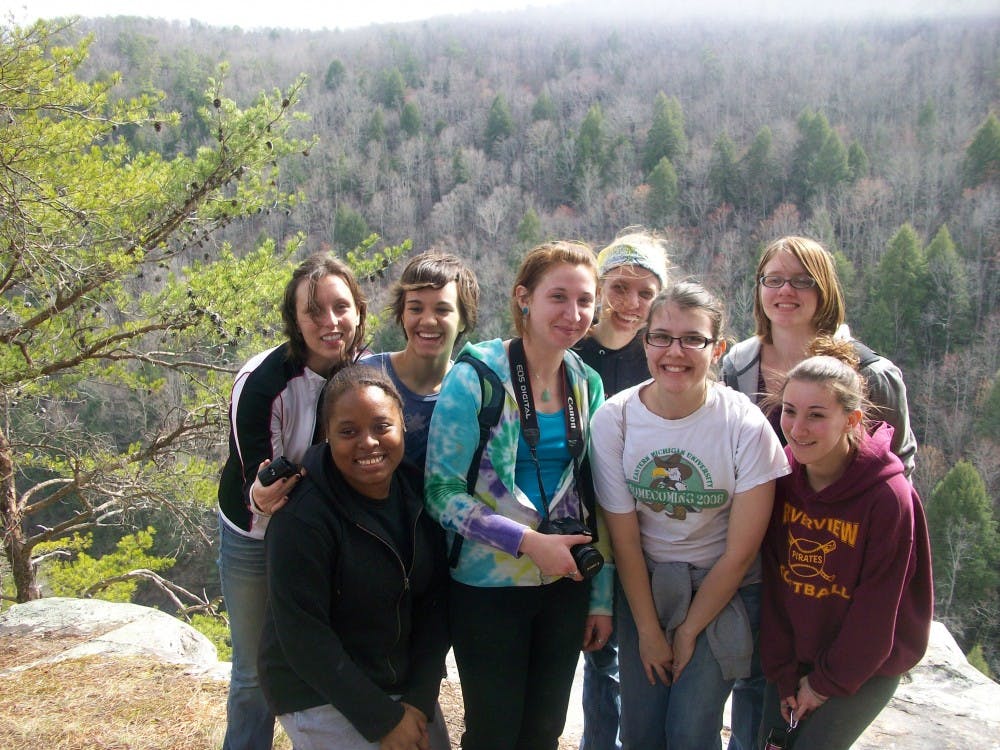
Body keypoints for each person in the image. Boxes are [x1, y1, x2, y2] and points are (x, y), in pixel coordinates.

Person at [720, 235, 917, 750]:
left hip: (842, 574)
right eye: (774, 279)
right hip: (761, 565)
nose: (787, 291)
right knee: (756, 710)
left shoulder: (871, 374)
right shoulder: (737, 366)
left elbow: (897, 469)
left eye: (803, 280)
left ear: (825, 289)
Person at [424, 240, 612, 750]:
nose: (573, 314)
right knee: (493, 732)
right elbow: (440, 492)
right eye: (558, 297)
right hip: (488, 588)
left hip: (566, 582)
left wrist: (600, 596)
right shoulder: (478, 378)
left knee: (544, 732)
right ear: (524, 298)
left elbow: (597, 497)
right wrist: (528, 543)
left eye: (585, 300)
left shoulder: (586, 384)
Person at [590, 281, 790, 750]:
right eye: (661, 336)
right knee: (640, 732)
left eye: (692, 339)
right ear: (645, 342)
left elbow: (740, 554)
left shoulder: (743, 425)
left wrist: (688, 632)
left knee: (689, 731)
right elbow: (625, 540)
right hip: (646, 584)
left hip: (723, 589)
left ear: (717, 348)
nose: (674, 352)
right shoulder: (616, 420)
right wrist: (647, 631)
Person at [216, 252, 367, 750]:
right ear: (294, 320)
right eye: (314, 312)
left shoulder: (363, 374)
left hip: (325, 536)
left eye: (341, 307)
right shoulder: (262, 383)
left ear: (359, 311)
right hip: (255, 537)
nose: (331, 322)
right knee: (254, 670)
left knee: (336, 653)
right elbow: (251, 481)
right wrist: (261, 495)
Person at [258, 365, 451, 749]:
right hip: (318, 690)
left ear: (403, 427)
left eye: (382, 427)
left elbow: (437, 603)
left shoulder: (415, 493)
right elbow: (303, 638)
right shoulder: (303, 517)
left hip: (396, 682)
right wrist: (383, 721)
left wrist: (419, 699)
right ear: (327, 435)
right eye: (348, 432)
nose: (368, 443)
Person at [757, 340, 933, 750]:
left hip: (865, 665)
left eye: (817, 416)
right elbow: (774, 584)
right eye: (789, 411)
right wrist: (785, 672)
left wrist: (821, 686)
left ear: (852, 419)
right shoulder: (782, 478)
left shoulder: (888, 497)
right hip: (795, 656)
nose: (797, 429)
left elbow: (877, 610)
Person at [574, 229, 670, 750]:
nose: (631, 304)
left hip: (637, 526)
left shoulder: (658, 357)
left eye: (645, 292)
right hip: (570, 520)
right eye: (619, 287)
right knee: (593, 651)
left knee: (613, 662)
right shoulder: (569, 345)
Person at [362, 251, 480, 468]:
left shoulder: (471, 394)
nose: (428, 321)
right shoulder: (364, 377)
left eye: (442, 310)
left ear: (463, 319)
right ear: (402, 314)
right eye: (415, 308)